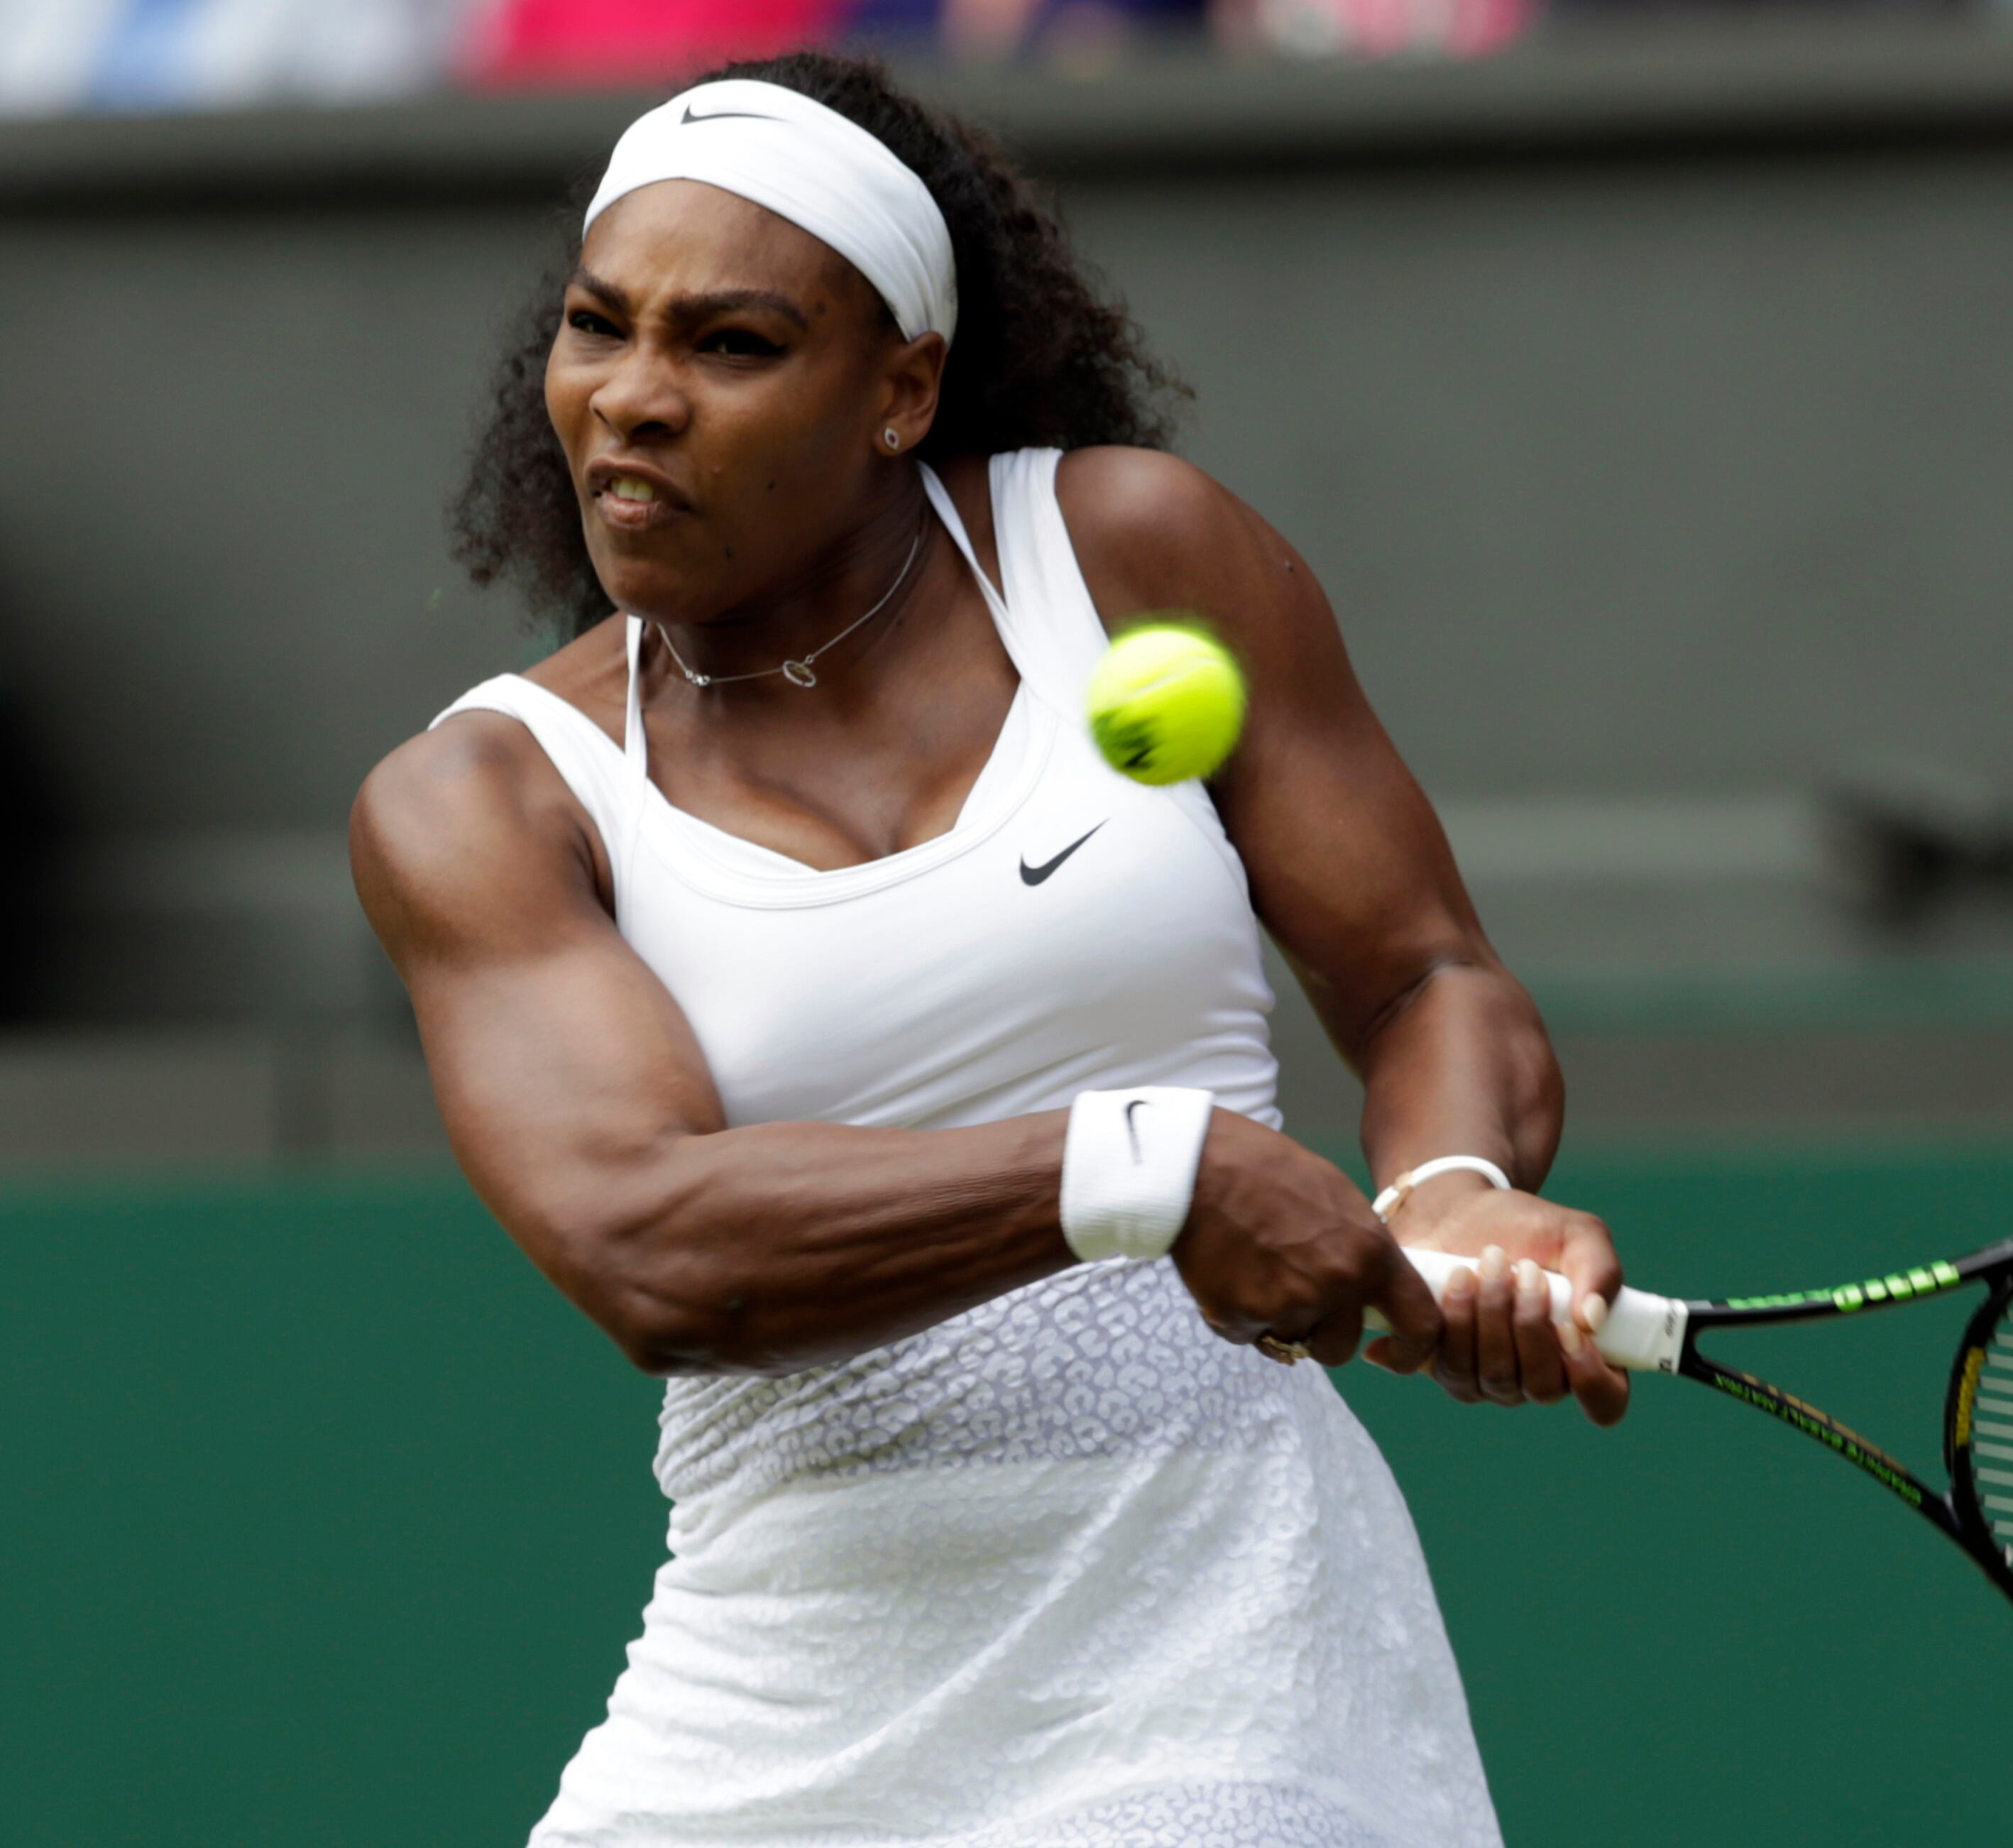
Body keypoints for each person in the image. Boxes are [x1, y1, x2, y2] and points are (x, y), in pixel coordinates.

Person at [351, 49, 1625, 1848]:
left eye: (727, 345)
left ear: (901, 390)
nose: (632, 400)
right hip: (770, 1689)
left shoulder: (1131, 554)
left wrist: (1455, 1183)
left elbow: (1422, 976)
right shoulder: (486, 797)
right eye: (596, 327)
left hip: (1221, 1660)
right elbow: (648, 1247)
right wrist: (1150, 1172)